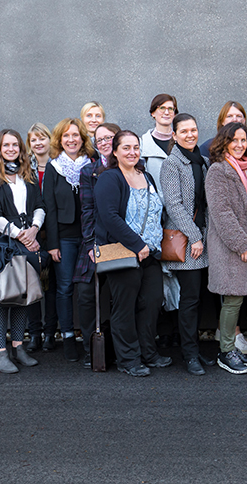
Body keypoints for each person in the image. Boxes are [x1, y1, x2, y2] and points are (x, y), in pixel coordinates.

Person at [94, 131, 164, 377]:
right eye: (126, 148)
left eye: (136, 147)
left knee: (152, 302)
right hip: (124, 252)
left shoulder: (146, 176)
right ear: (115, 151)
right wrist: (137, 244)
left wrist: (152, 245)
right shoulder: (109, 179)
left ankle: (148, 352)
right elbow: (109, 217)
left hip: (151, 253)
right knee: (124, 307)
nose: (132, 152)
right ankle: (128, 359)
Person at [0, 129, 45, 374]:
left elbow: (39, 206)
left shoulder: (26, 175)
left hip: (26, 242)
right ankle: (1, 353)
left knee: (21, 297)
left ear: (20, 149)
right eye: (6, 145)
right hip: (2, 246)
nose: (11, 149)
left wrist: (34, 229)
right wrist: (21, 235)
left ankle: (19, 348)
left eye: (15, 145)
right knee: (0, 299)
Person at [205, 122, 247, 374]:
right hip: (230, 246)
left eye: (243, 140)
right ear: (223, 142)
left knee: (235, 300)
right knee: (231, 300)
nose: (240, 145)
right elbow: (222, 213)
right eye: (234, 140)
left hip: (243, 242)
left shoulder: (244, 169)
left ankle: (230, 348)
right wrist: (241, 243)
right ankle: (226, 351)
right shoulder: (218, 170)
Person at [160, 113, 212, 376]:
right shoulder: (172, 164)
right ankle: (190, 355)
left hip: (203, 239)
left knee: (199, 298)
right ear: (175, 135)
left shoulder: (202, 161)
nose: (190, 135)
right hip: (189, 241)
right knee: (189, 299)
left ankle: (195, 349)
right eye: (184, 131)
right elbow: (174, 206)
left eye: (194, 130)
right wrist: (195, 237)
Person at [42, 118, 94, 362]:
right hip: (63, 239)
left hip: (88, 237)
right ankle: (68, 338)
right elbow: (49, 208)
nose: (71, 140)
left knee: (87, 290)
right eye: (66, 136)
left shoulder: (91, 165)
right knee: (63, 288)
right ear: (59, 141)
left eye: (75, 135)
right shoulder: (54, 168)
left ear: (82, 138)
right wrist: (52, 243)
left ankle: (89, 337)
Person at [140, 93, 181, 349]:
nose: (166, 112)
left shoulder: (182, 142)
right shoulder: (143, 145)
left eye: (171, 108)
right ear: (153, 112)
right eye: (161, 108)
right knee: (158, 276)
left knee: (177, 274)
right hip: (153, 220)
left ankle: (175, 332)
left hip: (179, 219)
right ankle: (160, 331)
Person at [24, 122, 57, 352]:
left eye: (42, 138)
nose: (38, 143)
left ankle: (50, 333)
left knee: (52, 286)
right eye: (33, 139)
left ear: (50, 140)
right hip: (31, 235)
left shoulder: (60, 165)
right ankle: (34, 332)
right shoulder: (24, 168)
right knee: (32, 284)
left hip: (53, 234)